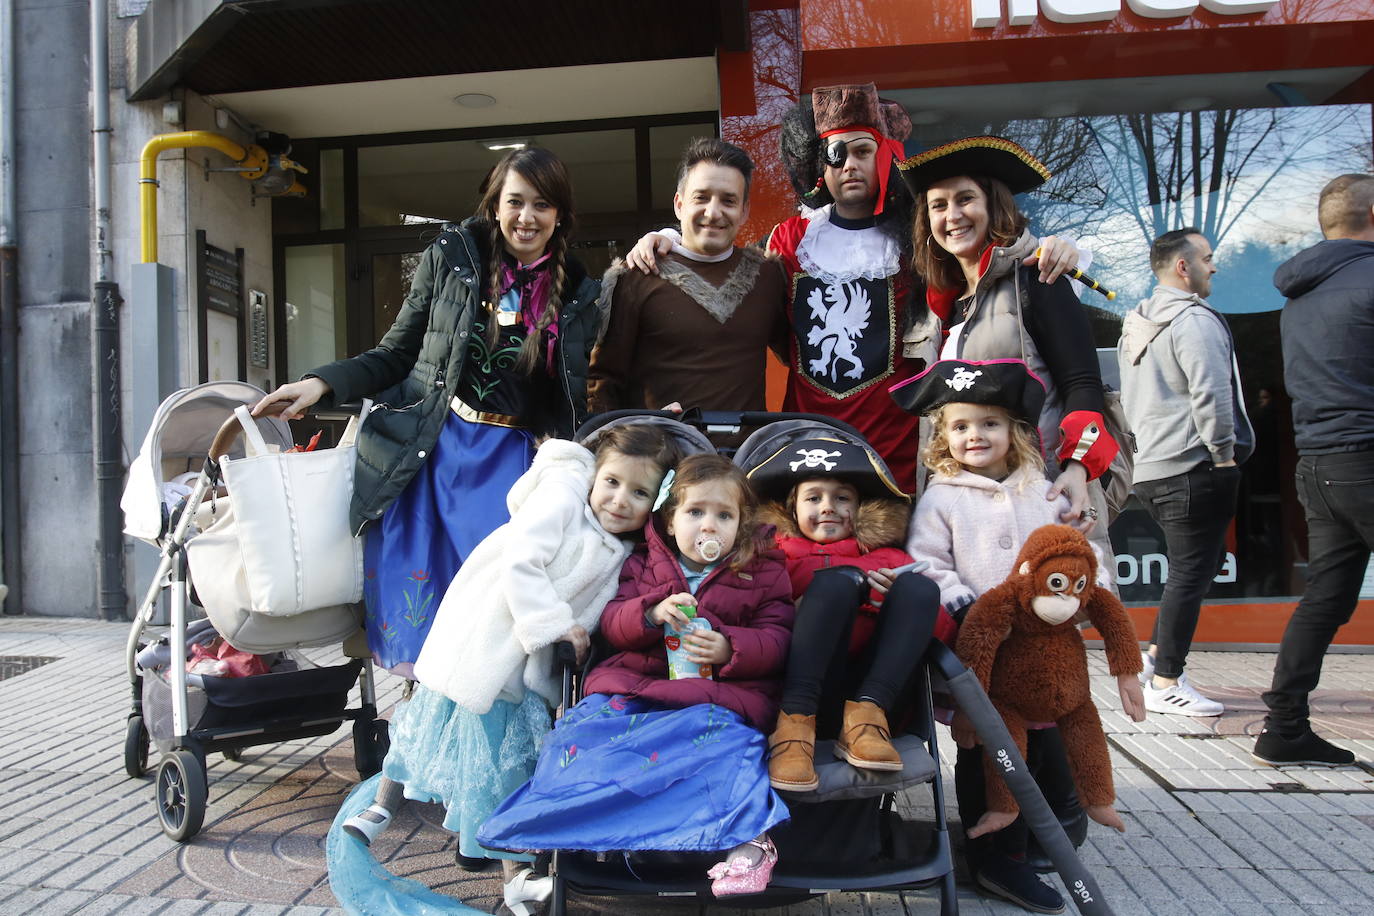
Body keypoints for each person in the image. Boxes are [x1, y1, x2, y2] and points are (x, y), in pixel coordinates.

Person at [625, 85, 1082, 491]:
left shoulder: (921, 238)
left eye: (863, 151)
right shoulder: (790, 240)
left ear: (885, 154)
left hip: (900, 442)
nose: (849, 166)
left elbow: (982, 262)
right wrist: (669, 239)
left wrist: (1046, 248)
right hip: (806, 439)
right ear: (819, 167)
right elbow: (726, 271)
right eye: (836, 154)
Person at [253, 147, 603, 676]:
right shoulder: (452, 260)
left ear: (561, 215)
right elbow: (395, 353)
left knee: (495, 617)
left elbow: (584, 389)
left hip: (512, 468)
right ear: (494, 205)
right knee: (429, 621)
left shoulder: (580, 290)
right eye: (516, 202)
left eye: (542, 205)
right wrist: (320, 382)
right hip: (435, 454)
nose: (527, 218)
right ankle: (424, 740)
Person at [340, 423, 679, 915]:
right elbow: (524, 560)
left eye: (640, 492)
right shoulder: (563, 498)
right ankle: (383, 804)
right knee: (431, 724)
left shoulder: (622, 548)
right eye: (612, 482)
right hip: (488, 635)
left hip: (524, 662)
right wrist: (555, 623)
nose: (620, 500)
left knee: (502, 768)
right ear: (593, 474)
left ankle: (515, 877)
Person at [478, 453, 795, 898]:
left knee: (733, 748)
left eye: (724, 515)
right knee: (579, 736)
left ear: (741, 524)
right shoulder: (643, 563)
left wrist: (731, 647)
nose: (709, 526)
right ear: (669, 519)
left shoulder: (762, 571)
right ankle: (562, 828)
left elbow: (779, 638)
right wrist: (649, 612)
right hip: (637, 688)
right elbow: (610, 622)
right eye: (695, 512)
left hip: (718, 697)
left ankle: (747, 845)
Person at [894, 359, 1139, 915]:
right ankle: (996, 857)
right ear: (943, 439)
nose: (973, 436)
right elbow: (924, 563)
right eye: (959, 427)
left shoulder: (1045, 493)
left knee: (1051, 745)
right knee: (989, 750)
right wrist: (964, 605)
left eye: (988, 424)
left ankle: (1049, 828)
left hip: (1049, 655)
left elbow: (1083, 551)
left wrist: (1082, 588)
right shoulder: (942, 497)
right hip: (981, 656)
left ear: (1016, 432)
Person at [896, 135, 1119, 537]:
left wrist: (1077, 468)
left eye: (965, 199)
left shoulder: (1038, 278)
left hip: (1047, 497)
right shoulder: (934, 307)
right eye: (938, 206)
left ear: (992, 206)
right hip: (969, 514)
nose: (953, 215)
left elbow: (1082, 382)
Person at [745, 434, 954, 791]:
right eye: (814, 498)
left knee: (919, 587)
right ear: (789, 510)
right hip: (799, 688)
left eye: (842, 498)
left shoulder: (887, 559)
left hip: (875, 692)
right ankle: (793, 728)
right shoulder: (772, 559)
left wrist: (890, 603)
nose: (828, 507)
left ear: (862, 509)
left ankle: (867, 719)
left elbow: (941, 632)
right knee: (836, 583)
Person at [1253, 173, 1374, 768]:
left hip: (1319, 464)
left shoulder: (1301, 294)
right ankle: (1283, 729)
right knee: (1329, 595)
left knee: (1326, 595)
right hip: (1368, 457)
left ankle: (1284, 728)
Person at [1118, 228, 1253, 717]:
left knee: (1186, 570)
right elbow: (1211, 394)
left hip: (1151, 465)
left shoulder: (1135, 323)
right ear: (1183, 266)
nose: (1214, 267)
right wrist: (1224, 456)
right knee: (1191, 574)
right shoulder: (1194, 321)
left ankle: (1157, 659)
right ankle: (1168, 680)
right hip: (1192, 463)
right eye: (1208, 258)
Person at [588, 138, 788, 413]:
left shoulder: (768, 277)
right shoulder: (637, 276)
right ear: (679, 204)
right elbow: (602, 382)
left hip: (746, 453)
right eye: (701, 197)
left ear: (744, 212)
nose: (713, 212)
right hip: (661, 451)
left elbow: (801, 357)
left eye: (728, 201)